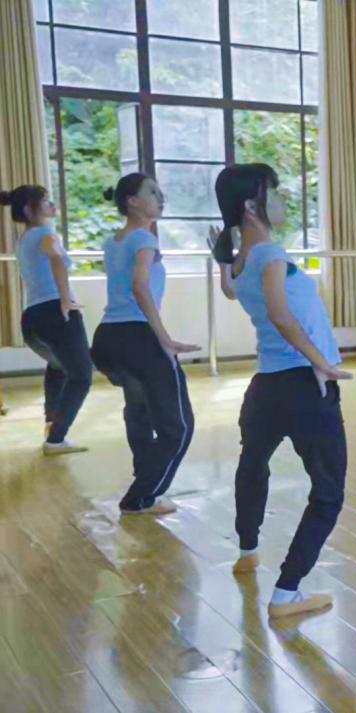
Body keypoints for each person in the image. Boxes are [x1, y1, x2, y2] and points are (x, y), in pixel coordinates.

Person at [211, 163, 351, 620]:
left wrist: (221, 261)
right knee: (328, 492)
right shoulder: (270, 254)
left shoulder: (242, 260)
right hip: (305, 385)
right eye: (274, 192)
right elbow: (279, 314)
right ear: (251, 205)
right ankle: (287, 593)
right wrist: (320, 362)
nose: (283, 200)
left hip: (266, 389)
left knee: (253, 465)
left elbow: (232, 290)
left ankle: (247, 550)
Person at [90, 174, 198, 516]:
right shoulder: (144, 239)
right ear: (132, 201)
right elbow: (140, 286)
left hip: (107, 339)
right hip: (138, 338)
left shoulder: (114, 241)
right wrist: (164, 338)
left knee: (138, 410)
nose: (160, 197)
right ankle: (142, 496)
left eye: (160, 191)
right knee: (178, 427)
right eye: (151, 192)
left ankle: (144, 477)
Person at [0, 185, 92, 454]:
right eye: (44, 201)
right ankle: (55, 439)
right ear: (29, 210)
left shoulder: (25, 239)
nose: (51, 204)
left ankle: (52, 425)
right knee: (82, 376)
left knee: (58, 366)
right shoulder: (46, 234)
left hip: (32, 318)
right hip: (55, 313)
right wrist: (65, 299)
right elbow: (56, 258)